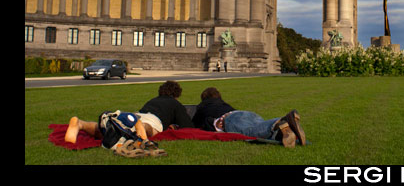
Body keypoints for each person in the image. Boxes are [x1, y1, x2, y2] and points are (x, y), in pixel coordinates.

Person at [65, 80, 194, 144]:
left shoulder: (152, 100)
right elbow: (188, 126)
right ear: (176, 95)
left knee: (111, 132)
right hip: (150, 120)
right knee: (151, 130)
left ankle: (81, 124)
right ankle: (140, 126)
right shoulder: (175, 103)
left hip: (136, 114)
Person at [191, 87, 306, 148]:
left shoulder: (203, 106)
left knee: (251, 132)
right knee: (261, 127)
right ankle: (283, 132)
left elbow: (193, 124)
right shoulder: (223, 104)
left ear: (204, 98)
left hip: (229, 119)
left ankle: (284, 120)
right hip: (244, 113)